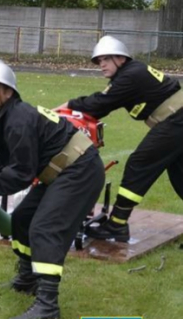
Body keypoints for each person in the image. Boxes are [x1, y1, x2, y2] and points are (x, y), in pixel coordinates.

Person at [0, 59, 104, 319]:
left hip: (79, 170)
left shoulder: (17, 120)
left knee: (45, 228)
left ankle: (48, 305)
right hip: (62, 171)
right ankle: (28, 279)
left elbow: (21, 174)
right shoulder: (1, 121)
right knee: (22, 217)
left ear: (8, 92)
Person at [65, 35, 183, 242]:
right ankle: (117, 224)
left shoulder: (129, 76)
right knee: (180, 175)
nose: (101, 65)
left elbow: (101, 104)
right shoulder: (130, 73)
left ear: (120, 58)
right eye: (99, 61)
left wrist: (69, 105)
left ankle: (117, 224)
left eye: (105, 60)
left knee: (139, 163)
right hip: (176, 120)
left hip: (176, 121)